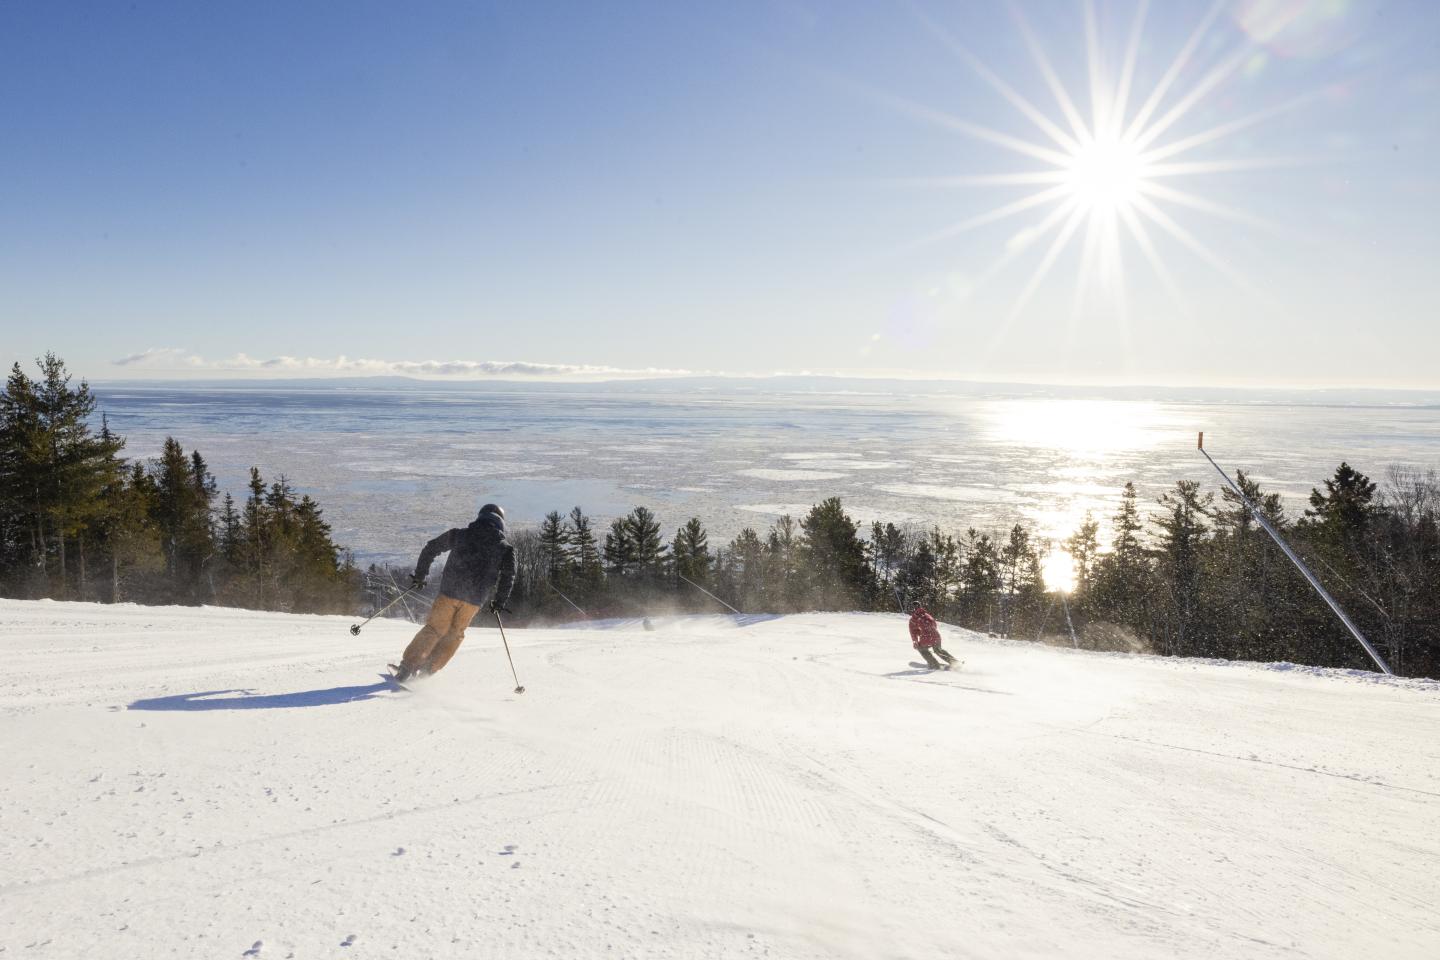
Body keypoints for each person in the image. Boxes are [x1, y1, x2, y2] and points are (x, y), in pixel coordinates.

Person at [393, 503, 516, 682]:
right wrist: (499, 602)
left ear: (480, 517)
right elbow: (508, 576)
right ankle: (427, 672)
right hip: (473, 601)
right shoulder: (505, 548)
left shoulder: (460, 534)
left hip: (449, 592)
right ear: (500, 523)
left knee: (434, 629)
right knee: (455, 634)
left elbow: (431, 548)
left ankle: (406, 669)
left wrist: (420, 574)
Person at [908, 602, 957, 670]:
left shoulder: (913, 619)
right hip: (936, 636)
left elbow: (913, 632)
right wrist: (928, 632)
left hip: (925, 638)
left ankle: (934, 664)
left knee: (921, 648)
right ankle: (954, 662)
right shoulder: (927, 615)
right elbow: (934, 625)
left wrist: (915, 641)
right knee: (938, 650)